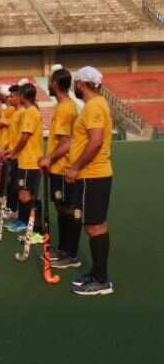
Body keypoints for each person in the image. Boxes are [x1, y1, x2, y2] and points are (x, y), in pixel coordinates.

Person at [66, 66, 114, 296]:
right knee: (95, 224)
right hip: (95, 174)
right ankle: (97, 273)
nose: (74, 86)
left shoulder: (94, 106)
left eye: (76, 82)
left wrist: (75, 166)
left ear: (82, 84)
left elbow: (94, 141)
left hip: (92, 174)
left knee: (94, 226)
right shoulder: (95, 105)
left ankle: (101, 280)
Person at [38, 66, 80, 269]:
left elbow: (67, 142)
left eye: (50, 81)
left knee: (68, 209)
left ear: (55, 84)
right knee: (62, 208)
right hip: (57, 167)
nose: (48, 85)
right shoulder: (63, 106)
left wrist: (49, 158)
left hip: (63, 167)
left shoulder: (65, 108)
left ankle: (70, 254)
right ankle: (63, 250)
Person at [1, 83, 43, 243]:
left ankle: (34, 228)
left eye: (16, 94)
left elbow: (25, 137)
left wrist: (13, 152)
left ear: (23, 96)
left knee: (26, 195)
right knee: (24, 194)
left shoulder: (30, 112)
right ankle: (26, 223)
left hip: (30, 160)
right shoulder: (29, 112)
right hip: (25, 160)